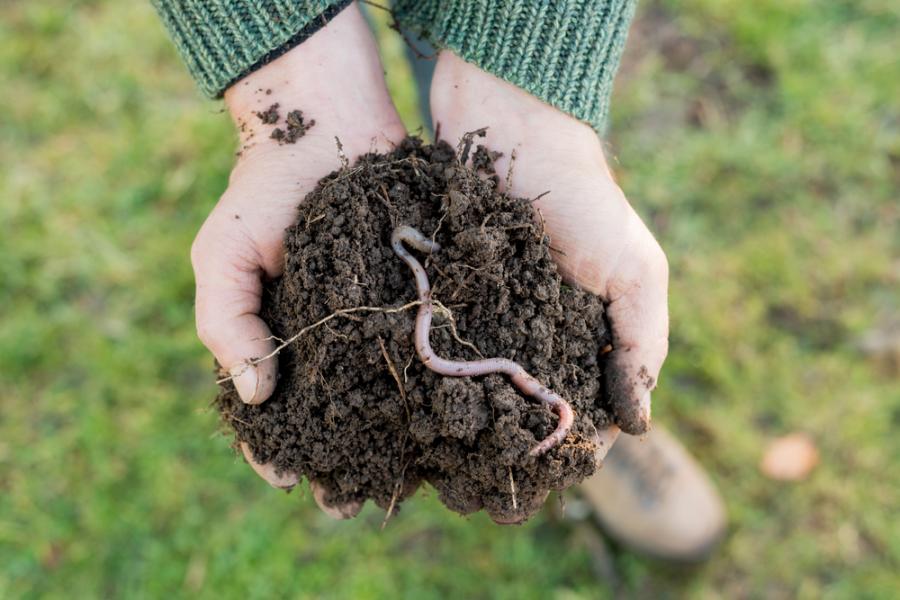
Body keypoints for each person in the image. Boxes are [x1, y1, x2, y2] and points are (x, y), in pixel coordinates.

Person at [152, 0, 725, 561]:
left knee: (461, 67)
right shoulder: (407, 262)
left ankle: (566, 407)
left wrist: (531, 77)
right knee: (454, 100)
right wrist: (287, 69)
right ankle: (557, 412)